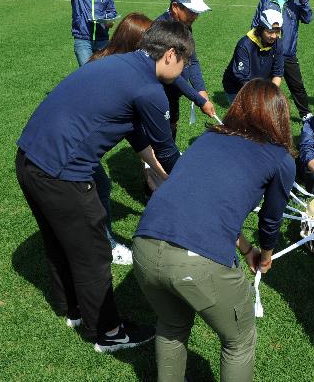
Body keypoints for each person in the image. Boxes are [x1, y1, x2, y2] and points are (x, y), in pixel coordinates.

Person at [15, 19, 192, 352]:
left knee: (60, 240)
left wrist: (153, 167)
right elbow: (167, 149)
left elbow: (132, 129)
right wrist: (188, 190)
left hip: (28, 158)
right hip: (61, 173)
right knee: (94, 253)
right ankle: (109, 332)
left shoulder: (117, 63)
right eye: (185, 63)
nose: (183, 72)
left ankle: (74, 309)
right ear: (170, 54)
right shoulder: (150, 90)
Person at [133, 80, 295, 382]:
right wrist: (266, 255)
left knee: (171, 326)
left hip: (144, 246)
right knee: (239, 340)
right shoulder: (280, 159)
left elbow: (207, 202)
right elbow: (270, 221)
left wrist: (246, 250)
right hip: (196, 260)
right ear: (280, 115)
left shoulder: (207, 139)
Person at [88, 13, 156, 264]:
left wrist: (150, 161)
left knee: (99, 188)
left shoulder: (103, 60)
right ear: (134, 42)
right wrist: (151, 162)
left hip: (79, 145)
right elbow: (131, 125)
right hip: (76, 148)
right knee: (98, 189)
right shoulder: (118, 73)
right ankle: (107, 245)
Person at [251, 0, 313, 119]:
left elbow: (308, 18)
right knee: (264, 84)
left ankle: (305, 113)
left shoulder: (296, 1)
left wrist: (304, 0)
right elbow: (254, 25)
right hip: (267, 51)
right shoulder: (265, 1)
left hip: (287, 52)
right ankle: (259, 112)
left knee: (297, 86)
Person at [157, 0, 217, 140]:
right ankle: (152, 164)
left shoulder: (184, 25)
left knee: (171, 124)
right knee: (158, 130)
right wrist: (199, 100)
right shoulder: (163, 30)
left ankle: (166, 160)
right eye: (192, 12)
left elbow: (192, 60)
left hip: (173, 91)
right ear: (175, 6)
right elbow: (171, 75)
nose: (195, 16)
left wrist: (201, 89)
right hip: (157, 91)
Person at [222, 8, 285, 102]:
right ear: (261, 29)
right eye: (270, 31)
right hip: (237, 87)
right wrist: (258, 98)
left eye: (277, 31)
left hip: (261, 86)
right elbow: (242, 78)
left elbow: (278, 73)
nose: (274, 36)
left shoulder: (277, 43)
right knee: (244, 115)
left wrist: (270, 93)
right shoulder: (244, 45)